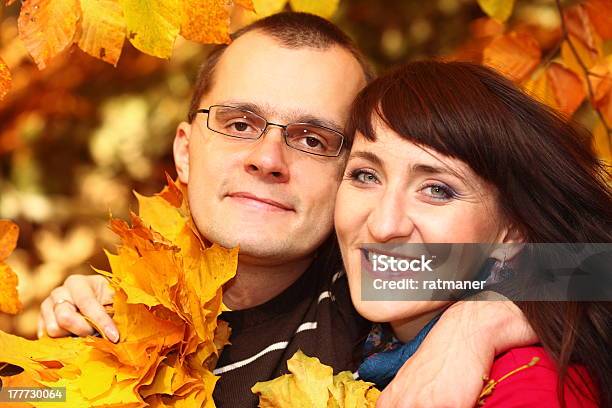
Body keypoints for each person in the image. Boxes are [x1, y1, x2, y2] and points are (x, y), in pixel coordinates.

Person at [38, 13, 538, 407]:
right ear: (186, 152)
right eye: (239, 125)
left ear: (351, 171)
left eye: (311, 139)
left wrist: (477, 323)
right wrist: (59, 368)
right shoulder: (115, 310)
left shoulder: (378, 280)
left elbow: (594, 268)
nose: (267, 159)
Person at [336, 60, 612, 407]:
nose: (383, 225)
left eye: (437, 190)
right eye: (366, 175)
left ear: (511, 231)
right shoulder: (346, 324)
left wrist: (476, 324)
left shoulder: (529, 386)